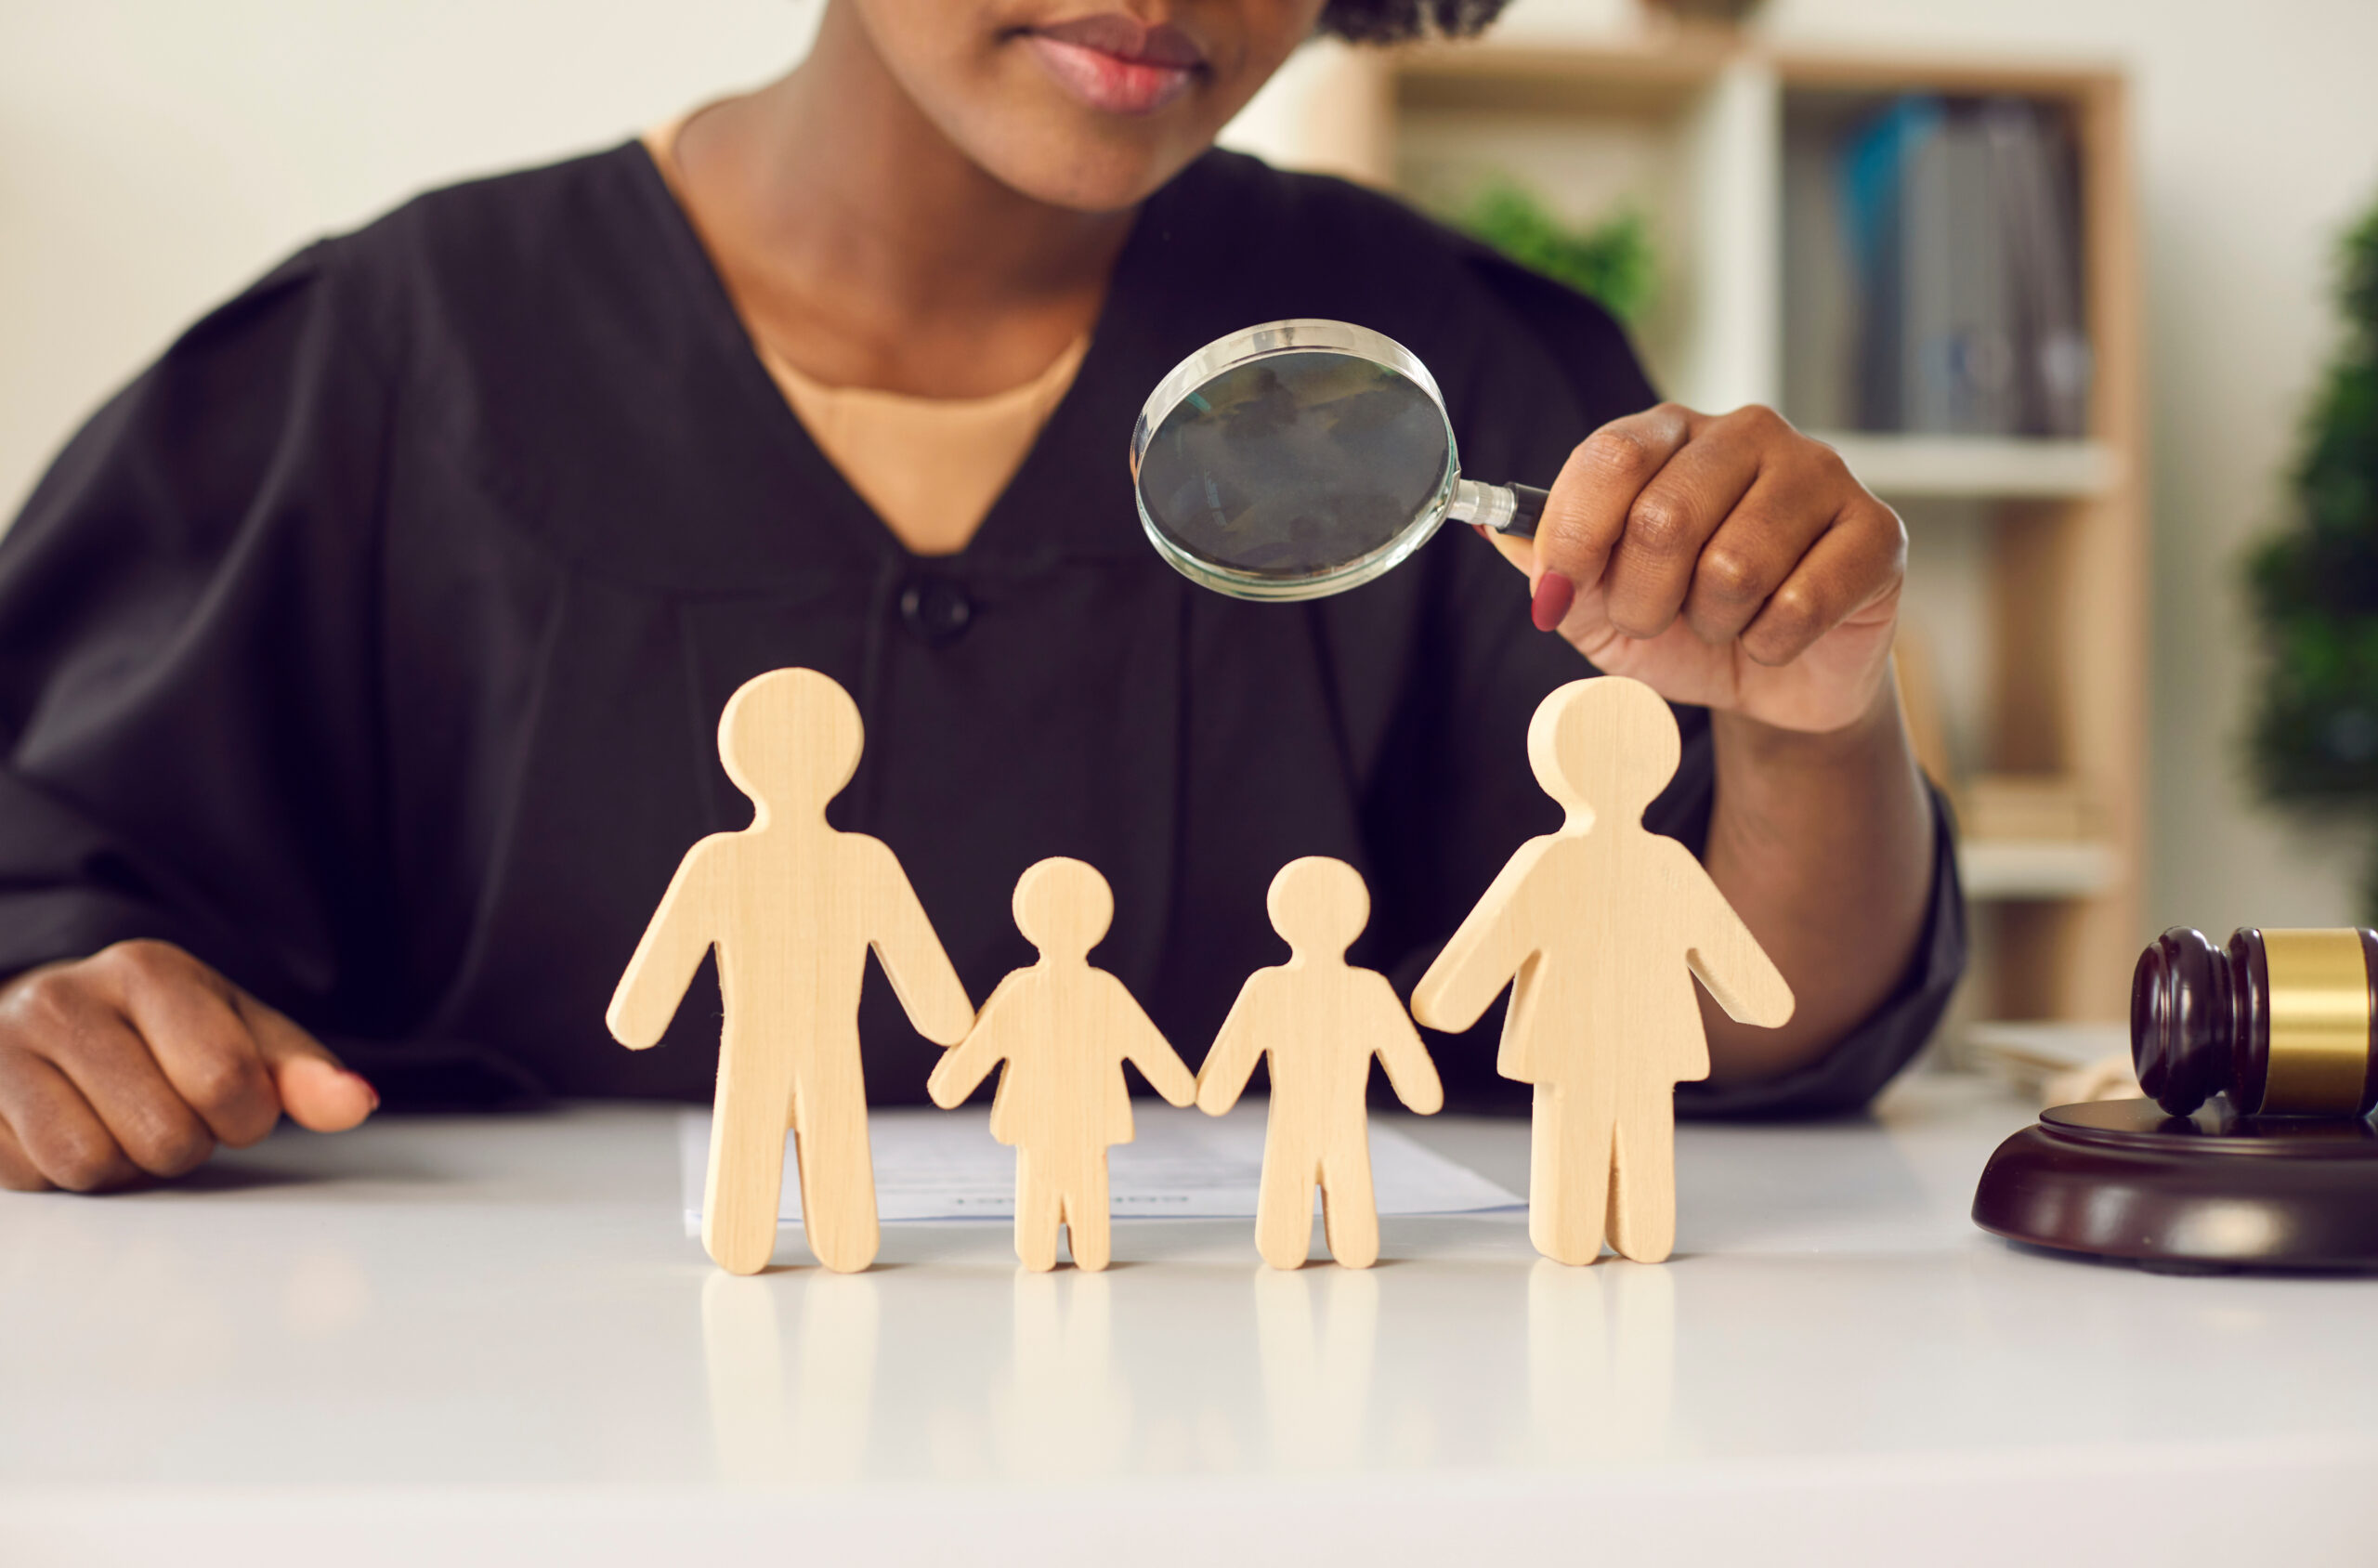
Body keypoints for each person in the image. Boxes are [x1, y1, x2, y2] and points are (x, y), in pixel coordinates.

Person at [0, 0, 1962, 1196]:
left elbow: (1719, 1044)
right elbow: (57, 894)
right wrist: (57, 1022)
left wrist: (1804, 721)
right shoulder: (382, 361)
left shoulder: (1462, 374)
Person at [608, 668, 974, 1275]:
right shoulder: (864, 862)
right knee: (829, 1143)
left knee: (750, 1142)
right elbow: (940, 1006)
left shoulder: (720, 862)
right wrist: (947, 1023)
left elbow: (640, 1008)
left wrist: (642, 1018)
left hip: (758, 1043)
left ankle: (752, 1243)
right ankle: (837, 1242)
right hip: (827, 1042)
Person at [927, 856, 1198, 1271]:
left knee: (1045, 1188)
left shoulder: (1023, 992)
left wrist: (949, 1086)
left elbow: (964, 1069)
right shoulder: (1101, 991)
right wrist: (1186, 1088)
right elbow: (1165, 1069)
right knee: (1082, 1185)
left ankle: (1050, 1252)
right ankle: (1083, 1252)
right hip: (1087, 1119)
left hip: (1040, 1120)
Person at [1196, 855, 1443, 1270]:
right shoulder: (1368, 989)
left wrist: (1212, 1094)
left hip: (1297, 1128)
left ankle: (1310, 1247)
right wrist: (1420, 1092)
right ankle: (1344, 1247)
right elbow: (1419, 1084)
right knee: (1347, 1216)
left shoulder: (1270, 988)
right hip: (1340, 1125)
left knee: (1288, 1222)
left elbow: (1220, 1084)